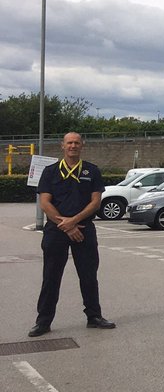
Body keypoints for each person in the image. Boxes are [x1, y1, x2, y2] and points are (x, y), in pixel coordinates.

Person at [29, 132, 115, 336]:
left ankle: (94, 316)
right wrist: (66, 225)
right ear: (62, 146)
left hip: (84, 229)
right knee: (51, 276)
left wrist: (74, 221)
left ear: (82, 145)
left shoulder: (91, 171)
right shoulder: (50, 172)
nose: (73, 146)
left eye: (76, 142)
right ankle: (43, 321)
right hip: (56, 230)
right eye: (69, 143)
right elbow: (45, 203)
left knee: (88, 275)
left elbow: (95, 202)